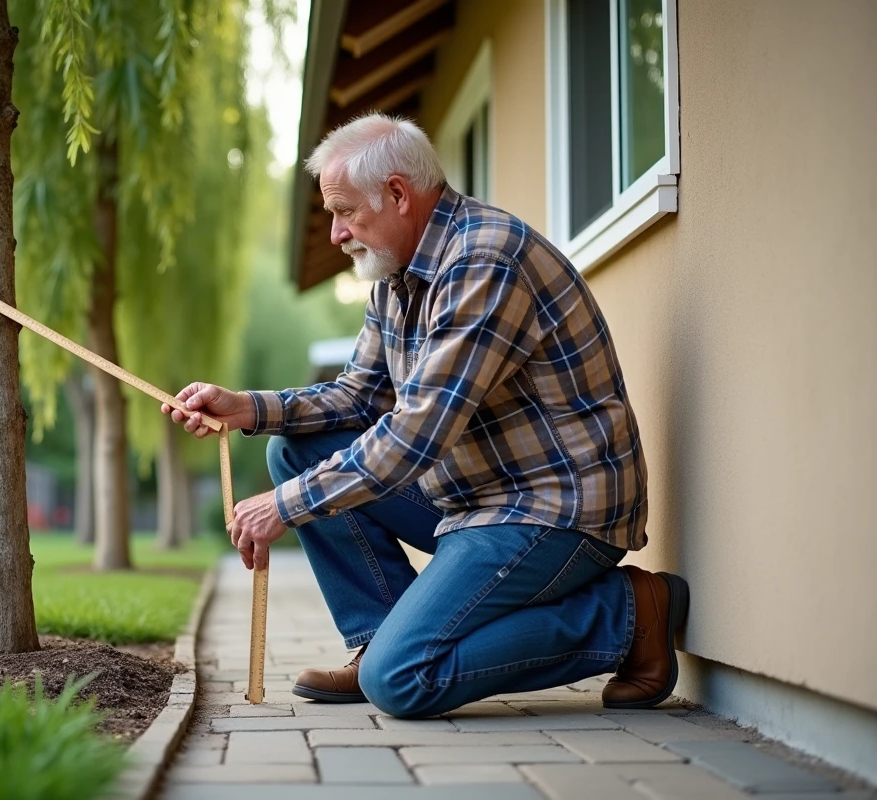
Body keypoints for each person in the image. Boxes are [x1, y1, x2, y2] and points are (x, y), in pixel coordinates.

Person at [161, 113, 688, 717]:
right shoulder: (396, 277)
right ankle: (380, 638)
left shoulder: (485, 261)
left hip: (555, 508)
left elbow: (416, 433)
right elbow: (358, 397)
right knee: (293, 449)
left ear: (397, 194)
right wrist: (248, 408)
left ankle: (627, 615)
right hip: (476, 497)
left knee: (402, 680)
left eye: (344, 211)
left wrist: (285, 505)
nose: (335, 233)